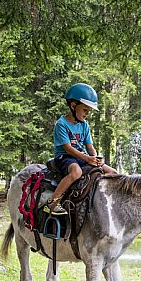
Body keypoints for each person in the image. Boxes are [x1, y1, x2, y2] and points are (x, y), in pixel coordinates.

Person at [45, 83, 117, 214]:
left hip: (83, 157)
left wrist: (95, 158)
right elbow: (68, 149)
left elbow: (90, 147)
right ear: (73, 106)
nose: (87, 114)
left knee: (112, 172)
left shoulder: (84, 125)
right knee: (76, 172)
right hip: (65, 157)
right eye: (85, 110)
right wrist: (88, 159)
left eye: (88, 111)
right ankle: (52, 201)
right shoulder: (61, 124)